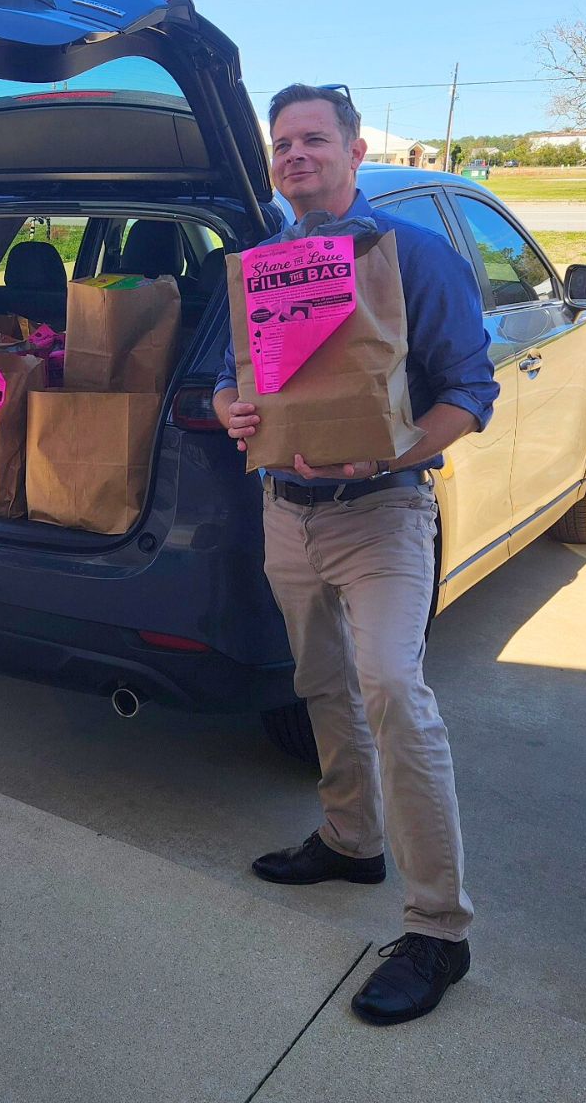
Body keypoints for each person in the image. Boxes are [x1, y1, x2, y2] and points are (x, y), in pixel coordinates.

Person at [213, 84, 499, 1026]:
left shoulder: (410, 255)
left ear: (353, 146)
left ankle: (437, 928)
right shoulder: (260, 265)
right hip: (284, 510)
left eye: (313, 140)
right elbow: (229, 383)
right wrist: (231, 411)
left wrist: (394, 451)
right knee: (322, 683)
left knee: (392, 692)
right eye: (282, 143)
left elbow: (468, 390)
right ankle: (348, 835)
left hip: (381, 511)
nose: (295, 156)